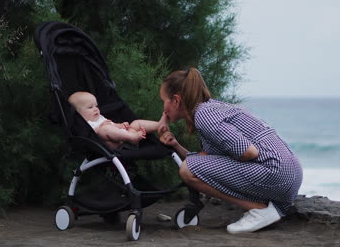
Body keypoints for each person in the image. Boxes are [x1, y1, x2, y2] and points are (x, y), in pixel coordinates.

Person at [157, 68, 303, 234]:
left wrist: (223, 164)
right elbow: (206, 162)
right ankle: (265, 209)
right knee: (190, 167)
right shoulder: (211, 108)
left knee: (186, 170)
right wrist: (175, 145)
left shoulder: (204, 116)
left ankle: (259, 210)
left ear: (176, 100)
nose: (164, 109)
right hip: (289, 173)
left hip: (276, 172)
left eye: (164, 101)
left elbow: (249, 152)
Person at [68, 91, 167, 150]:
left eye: (96, 106)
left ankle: (159, 125)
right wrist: (101, 127)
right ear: (79, 114)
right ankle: (132, 138)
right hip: (114, 144)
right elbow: (93, 134)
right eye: (90, 107)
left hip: (124, 136)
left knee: (136, 123)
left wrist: (120, 126)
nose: (96, 109)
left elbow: (113, 125)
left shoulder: (99, 117)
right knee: (105, 129)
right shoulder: (86, 124)